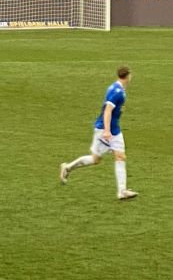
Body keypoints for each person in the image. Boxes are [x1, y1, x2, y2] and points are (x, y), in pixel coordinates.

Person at [59, 66, 138, 200]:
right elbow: (107, 111)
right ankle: (67, 167)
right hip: (104, 130)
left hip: (115, 130)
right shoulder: (117, 92)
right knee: (96, 159)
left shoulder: (116, 88)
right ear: (128, 76)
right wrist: (106, 130)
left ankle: (122, 191)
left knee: (120, 156)